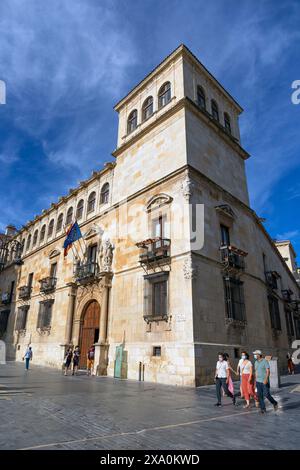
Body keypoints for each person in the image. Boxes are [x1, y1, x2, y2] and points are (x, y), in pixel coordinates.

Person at [253, 349, 278, 414]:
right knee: (260, 395)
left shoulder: (265, 361)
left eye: (255, 354)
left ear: (259, 354)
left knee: (267, 394)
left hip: (264, 381)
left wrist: (266, 379)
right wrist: (255, 382)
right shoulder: (255, 362)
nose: (254, 355)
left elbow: (268, 371)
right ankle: (263, 409)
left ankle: (274, 403)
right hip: (258, 382)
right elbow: (256, 372)